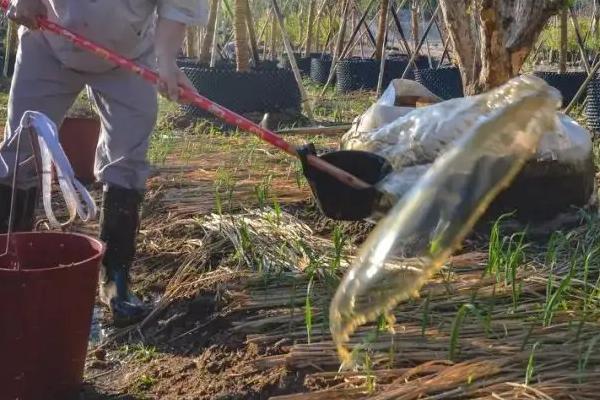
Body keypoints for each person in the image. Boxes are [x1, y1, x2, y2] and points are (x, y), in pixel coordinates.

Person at [2, 0, 208, 326]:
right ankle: (6, 264)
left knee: (128, 160)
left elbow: (177, 5)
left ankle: (116, 282)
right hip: (48, 39)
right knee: (19, 154)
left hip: (128, 55)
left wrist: (166, 61)